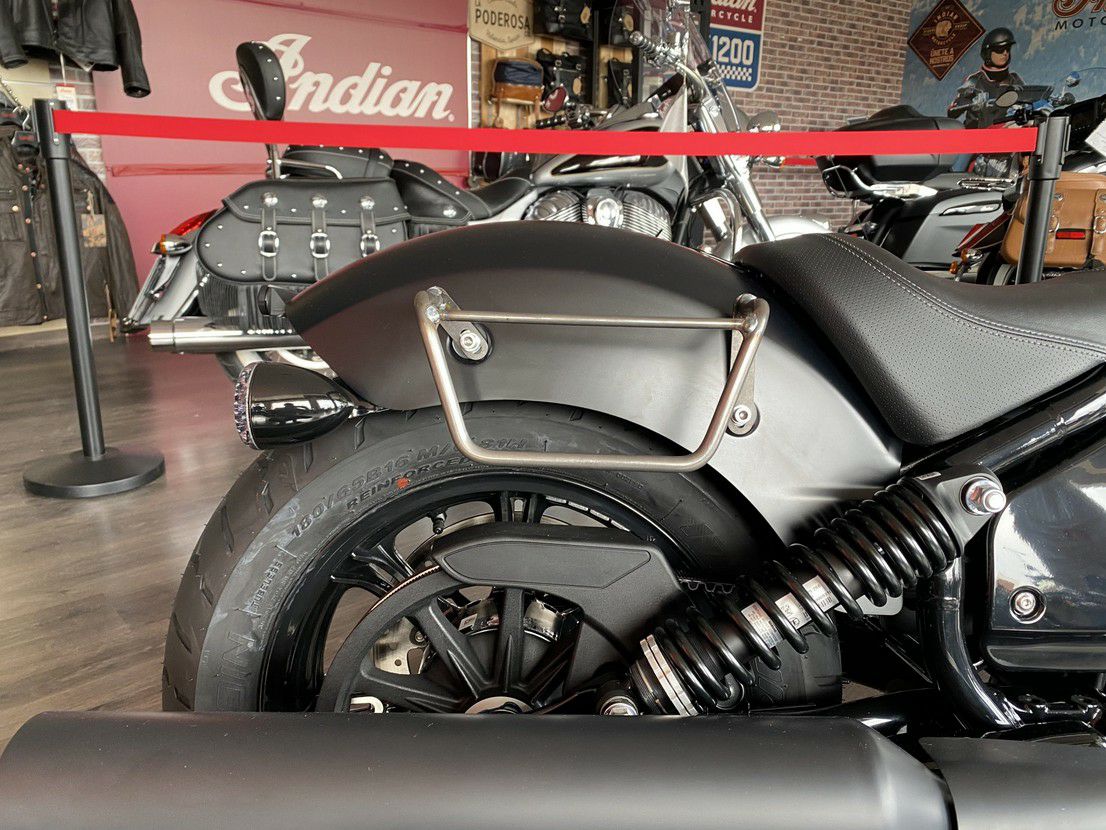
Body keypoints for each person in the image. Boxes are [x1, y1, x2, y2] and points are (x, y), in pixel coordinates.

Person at [948, 28, 1025, 129]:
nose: (1005, 53)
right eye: (999, 50)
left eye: (1007, 49)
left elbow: (1029, 104)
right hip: (978, 136)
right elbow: (952, 112)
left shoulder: (1014, 80)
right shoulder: (975, 80)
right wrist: (972, 102)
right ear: (988, 52)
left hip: (1006, 134)